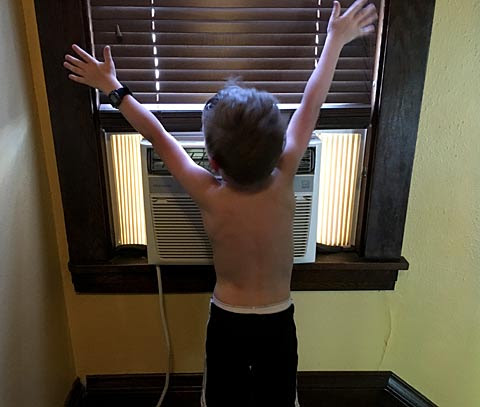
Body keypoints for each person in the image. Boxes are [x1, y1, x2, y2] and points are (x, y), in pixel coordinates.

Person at [64, 1, 377, 405]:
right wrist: (334, 40)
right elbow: (311, 103)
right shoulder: (285, 176)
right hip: (277, 318)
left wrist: (114, 88)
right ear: (279, 148)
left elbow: (157, 135)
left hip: (228, 318)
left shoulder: (208, 192)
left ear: (211, 161)